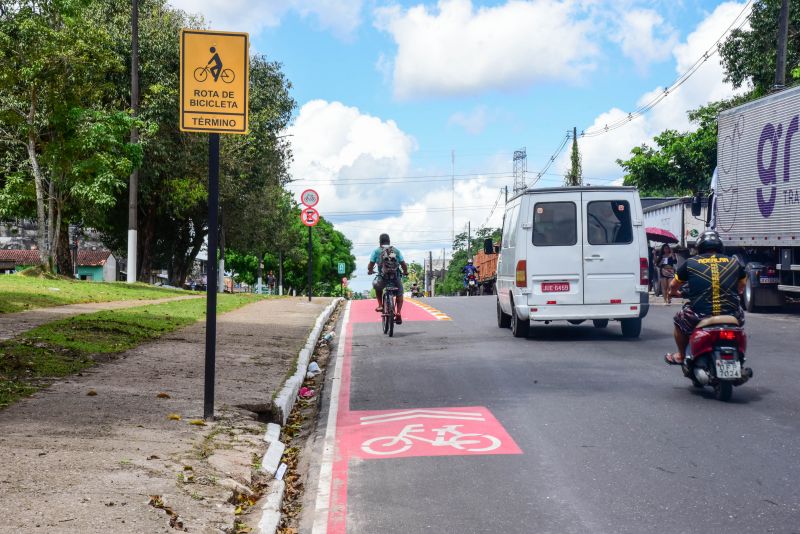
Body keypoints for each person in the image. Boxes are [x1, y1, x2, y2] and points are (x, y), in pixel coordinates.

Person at [664, 230, 746, 365]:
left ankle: (681, 355)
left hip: (700, 315)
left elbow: (673, 285)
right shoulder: (734, 262)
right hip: (732, 314)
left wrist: (674, 293)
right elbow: (741, 286)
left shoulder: (690, 262)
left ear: (700, 247)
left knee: (679, 320)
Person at [367, 234, 409, 324]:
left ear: (380, 242)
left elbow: (371, 264)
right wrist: (405, 271)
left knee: (378, 287)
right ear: (389, 241)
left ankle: (380, 305)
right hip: (395, 277)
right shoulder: (395, 251)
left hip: (383, 277)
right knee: (400, 293)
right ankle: (398, 312)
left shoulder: (376, 251)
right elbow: (403, 264)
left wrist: (370, 271)